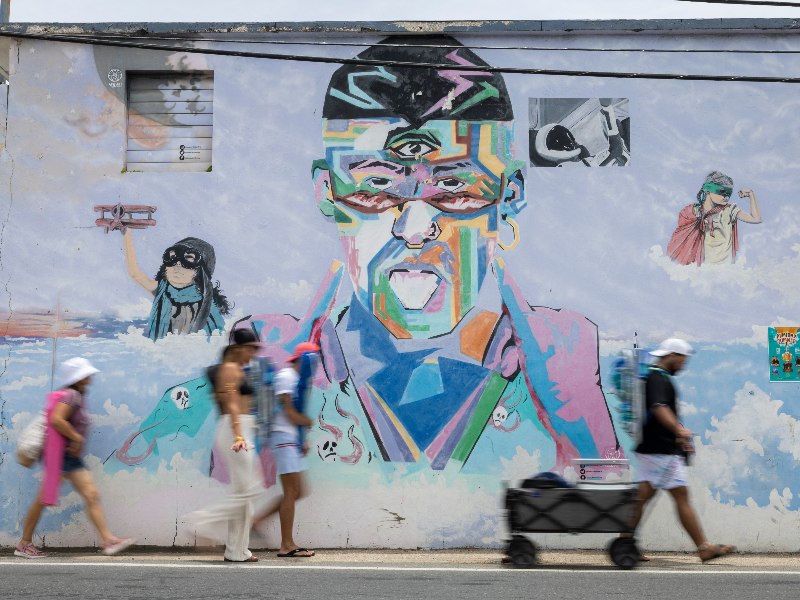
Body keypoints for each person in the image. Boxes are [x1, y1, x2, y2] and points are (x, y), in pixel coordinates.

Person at [237, 34, 621, 474]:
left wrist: (581, 417)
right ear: (326, 192)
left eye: (454, 187)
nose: (414, 229)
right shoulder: (281, 363)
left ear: (509, 194)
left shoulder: (551, 372)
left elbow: (601, 513)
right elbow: (221, 523)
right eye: (378, 186)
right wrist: (264, 415)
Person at [14, 357, 135, 558]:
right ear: (79, 377)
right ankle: (24, 544)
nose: (90, 376)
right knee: (45, 499)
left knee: (90, 495)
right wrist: (76, 437)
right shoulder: (71, 396)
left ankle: (108, 539)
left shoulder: (75, 395)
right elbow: (57, 420)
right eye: (87, 374)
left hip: (69, 458)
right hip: (62, 457)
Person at [627, 338, 735, 563]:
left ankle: (624, 544)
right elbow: (659, 408)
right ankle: (703, 547)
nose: (684, 365)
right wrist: (679, 430)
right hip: (661, 452)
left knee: (642, 497)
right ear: (672, 355)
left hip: (654, 449)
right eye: (683, 359)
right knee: (680, 497)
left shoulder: (655, 377)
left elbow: (660, 410)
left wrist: (678, 433)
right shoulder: (657, 378)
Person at [186, 328, 264, 562]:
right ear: (238, 348)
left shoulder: (234, 368)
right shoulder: (230, 369)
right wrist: (239, 435)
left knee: (245, 496)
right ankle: (202, 520)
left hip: (241, 428)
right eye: (251, 348)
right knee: (251, 490)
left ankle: (237, 551)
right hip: (235, 430)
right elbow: (231, 404)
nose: (253, 353)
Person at [252, 342, 319, 558]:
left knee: (299, 491)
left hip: (291, 439)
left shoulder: (297, 379)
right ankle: (287, 545)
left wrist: (302, 436)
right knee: (292, 491)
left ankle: (257, 520)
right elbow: (289, 413)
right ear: (303, 358)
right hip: (283, 439)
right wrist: (306, 422)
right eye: (313, 358)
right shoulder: (286, 377)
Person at [122, 230, 230, 339]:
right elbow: (134, 273)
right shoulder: (163, 290)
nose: (177, 265)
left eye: (189, 259)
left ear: (201, 272)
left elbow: (216, 340)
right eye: (172, 258)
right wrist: (126, 231)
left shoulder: (207, 304)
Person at [667, 171, 762, 266]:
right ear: (708, 190)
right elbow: (681, 237)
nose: (726, 197)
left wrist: (751, 194)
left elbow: (756, 219)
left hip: (724, 266)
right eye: (722, 192)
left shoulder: (729, 210)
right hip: (699, 267)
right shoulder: (691, 212)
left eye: (729, 193)